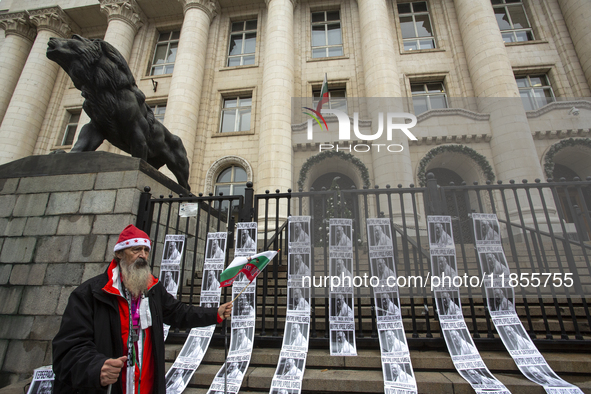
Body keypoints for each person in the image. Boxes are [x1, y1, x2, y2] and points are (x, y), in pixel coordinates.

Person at [52, 224, 233, 394]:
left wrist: (214, 313)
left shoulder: (152, 288)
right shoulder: (90, 294)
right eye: (136, 249)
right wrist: (96, 366)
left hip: (146, 385)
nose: (143, 255)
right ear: (120, 254)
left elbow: (178, 312)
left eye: (146, 250)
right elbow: (68, 348)